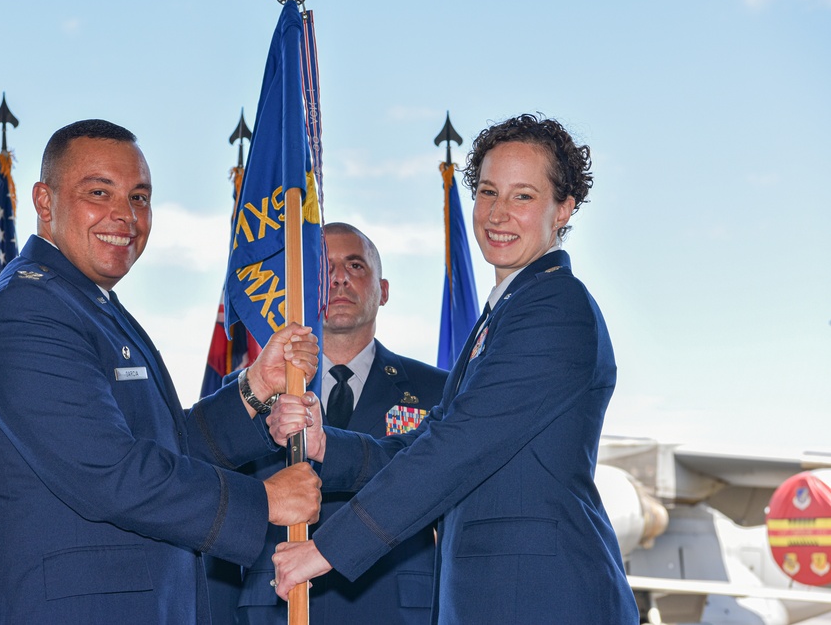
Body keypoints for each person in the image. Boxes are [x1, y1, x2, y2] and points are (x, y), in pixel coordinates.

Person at [270, 114, 640, 623]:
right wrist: (328, 445)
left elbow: (457, 449)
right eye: (488, 192)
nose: (498, 214)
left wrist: (325, 550)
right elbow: (431, 438)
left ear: (563, 209)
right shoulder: (508, 311)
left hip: (542, 599)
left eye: (523, 196)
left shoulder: (555, 306)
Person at [0, 119, 322, 624]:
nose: (124, 216)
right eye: (98, 192)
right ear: (45, 202)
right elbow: (108, 472)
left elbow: (160, 447)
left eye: (139, 197)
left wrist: (255, 386)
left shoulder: (91, 305)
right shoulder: (26, 309)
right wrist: (263, 500)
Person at [232, 223, 447, 625]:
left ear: (383, 291)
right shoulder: (251, 392)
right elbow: (223, 503)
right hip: (277, 605)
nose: (339, 277)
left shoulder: (439, 390)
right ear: (302, 289)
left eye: (355, 265)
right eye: (323, 266)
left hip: (394, 608)